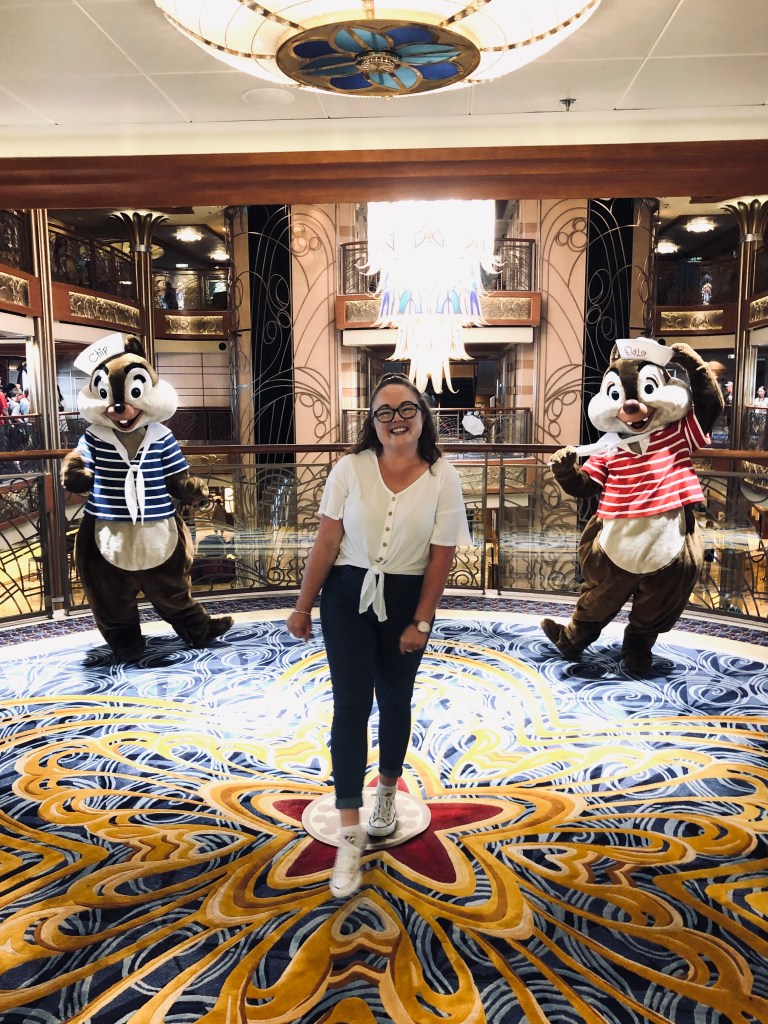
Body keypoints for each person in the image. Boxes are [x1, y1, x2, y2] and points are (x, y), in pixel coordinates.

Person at [286, 372, 471, 899]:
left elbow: (441, 555)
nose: (396, 420)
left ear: (423, 416)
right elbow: (327, 540)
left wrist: (422, 621)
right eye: (384, 412)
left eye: (406, 409)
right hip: (347, 594)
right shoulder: (350, 468)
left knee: (395, 698)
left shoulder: (442, 476)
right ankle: (349, 833)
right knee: (350, 704)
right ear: (372, 422)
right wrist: (303, 604)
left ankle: (387, 790)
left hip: (407, 599)